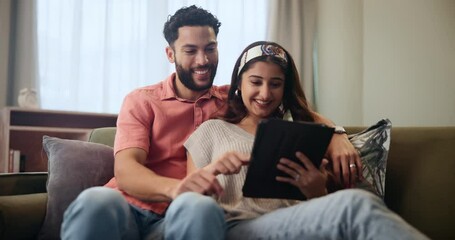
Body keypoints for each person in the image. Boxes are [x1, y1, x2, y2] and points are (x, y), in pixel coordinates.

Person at [61, 5, 361, 240]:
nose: (203, 60)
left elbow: (293, 104)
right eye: (190, 51)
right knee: (96, 201)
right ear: (170, 53)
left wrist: (337, 135)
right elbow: (126, 172)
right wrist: (178, 188)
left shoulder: (231, 100)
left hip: (188, 213)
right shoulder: (142, 101)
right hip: (130, 207)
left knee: (199, 207)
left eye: (210, 48)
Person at [184, 41, 429, 240]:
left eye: (276, 84)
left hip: (299, 226)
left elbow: (322, 210)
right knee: (355, 206)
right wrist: (213, 169)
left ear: (285, 89)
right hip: (239, 227)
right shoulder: (210, 131)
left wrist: (317, 190)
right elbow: (188, 203)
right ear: (239, 83)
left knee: (356, 204)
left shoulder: (302, 133)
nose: (265, 94)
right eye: (256, 82)